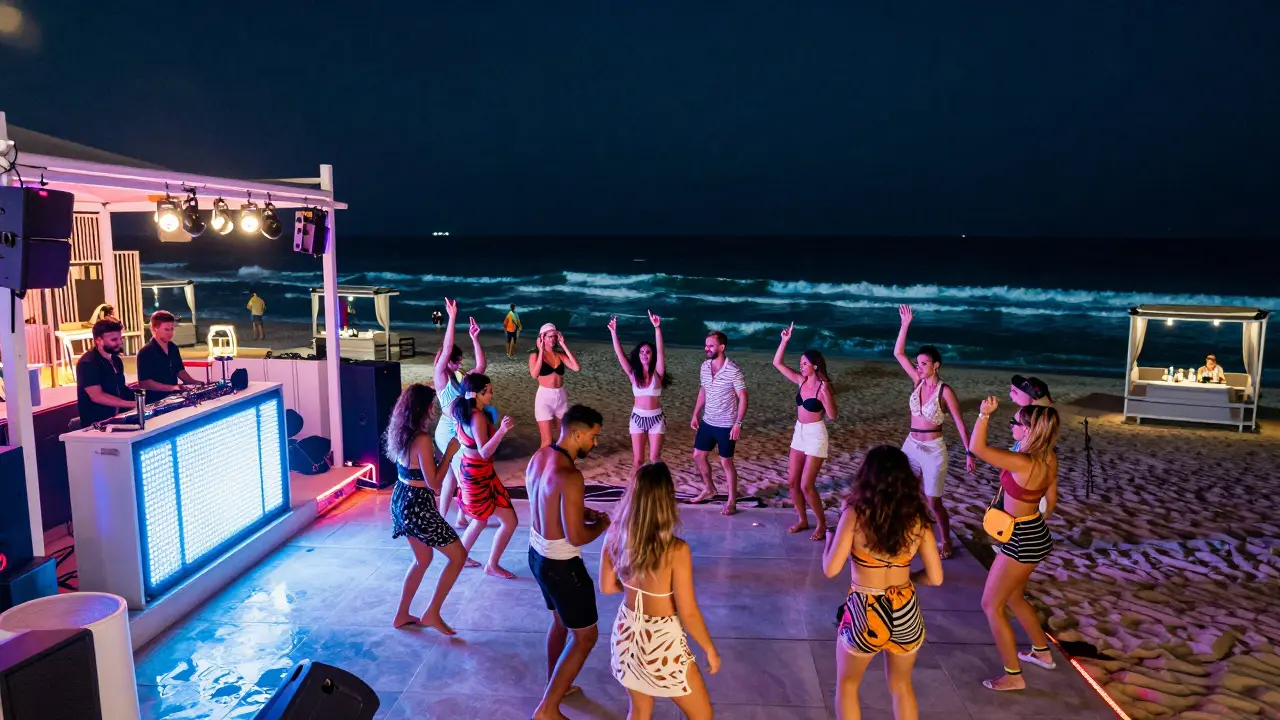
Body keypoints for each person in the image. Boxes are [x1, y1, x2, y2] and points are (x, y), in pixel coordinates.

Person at [822, 445, 943, 720]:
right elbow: (936, 577)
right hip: (906, 609)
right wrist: (909, 578)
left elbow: (830, 569)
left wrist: (829, 540)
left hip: (866, 609)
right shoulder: (918, 520)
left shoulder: (855, 514)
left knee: (848, 685)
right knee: (901, 686)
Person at [601, 462, 720, 719]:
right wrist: (709, 648)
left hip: (627, 633)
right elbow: (688, 612)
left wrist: (635, 584)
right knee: (702, 715)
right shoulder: (676, 550)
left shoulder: (614, 534)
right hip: (661, 640)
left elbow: (607, 587)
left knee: (640, 710)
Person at [969, 398, 1060, 692]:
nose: (1012, 426)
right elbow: (1052, 502)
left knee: (991, 605)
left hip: (1020, 540)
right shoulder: (1047, 457)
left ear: (1030, 430)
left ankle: (1013, 675)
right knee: (1015, 597)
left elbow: (977, 449)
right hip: (1034, 532)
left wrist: (984, 415)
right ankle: (1042, 653)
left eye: (1016, 422)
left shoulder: (1023, 462)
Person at [525, 405, 610, 720]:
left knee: (561, 621)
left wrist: (581, 510)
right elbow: (575, 537)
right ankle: (547, 709)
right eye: (593, 436)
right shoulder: (571, 475)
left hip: (537, 555)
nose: (595, 443)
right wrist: (600, 525)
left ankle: (555, 685)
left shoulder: (540, 457)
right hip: (562, 566)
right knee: (586, 637)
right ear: (577, 433)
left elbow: (547, 502)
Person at [383, 383, 468, 634]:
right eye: (432, 405)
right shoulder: (422, 439)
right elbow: (435, 482)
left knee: (423, 558)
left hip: (402, 498)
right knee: (458, 556)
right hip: (417, 504)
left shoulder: (400, 432)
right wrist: (450, 452)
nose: (434, 409)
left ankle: (401, 614)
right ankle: (432, 612)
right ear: (423, 408)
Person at [892, 305, 974, 559]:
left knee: (933, 502)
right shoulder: (917, 382)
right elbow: (898, 353)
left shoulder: (945, 391)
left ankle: (946, 539)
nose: (919, 367)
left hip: (933, 450)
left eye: (924, 363)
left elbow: (960, 422)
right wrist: (905, 325)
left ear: (936, 365)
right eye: (918, 363)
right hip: (911, 445)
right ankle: (905, 533)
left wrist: (970, 453)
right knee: (903, 492)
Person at [773, 323, 838, 540]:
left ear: (815, 366)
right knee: (792, 482)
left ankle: (821, 523)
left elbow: (832, 416)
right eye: (800, 363)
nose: (801, 367)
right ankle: (802, 519)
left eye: (804, 364)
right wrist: (784, 341)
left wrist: (826, 396)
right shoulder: (801, 381)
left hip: (816, 435)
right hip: (798, 433)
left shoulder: (823, 387)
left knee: (806, 484)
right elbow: (777, 363)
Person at [452, 373, 519, 578]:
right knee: (502, 521)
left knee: (487, 520)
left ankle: (462, 559)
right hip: (477, 474)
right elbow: (484, 452)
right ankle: (488, 564)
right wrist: (502, 431)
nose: (491, 394)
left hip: (477, 472)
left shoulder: (465, 412)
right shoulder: (477, 416)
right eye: (488, 391)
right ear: (479, 393)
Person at [433, 298, 487, 536]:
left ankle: (459, 516)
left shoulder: (459, 377)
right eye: (457, 361)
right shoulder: (441, 376)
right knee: (457, 476)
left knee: (456, 476)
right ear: (448, 361)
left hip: (459, 429)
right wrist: (452, 317)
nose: (460, 364)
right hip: (447, 432)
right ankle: (450, 518)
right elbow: (446, 349)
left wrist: (475, 339)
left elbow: (481, 367)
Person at [691, 331, 748, 515]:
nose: (707, 348)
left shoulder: (733, 369)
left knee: (726, 462)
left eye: (711, 345)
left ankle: (732, 501)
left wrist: (738, 423)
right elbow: (703, 390)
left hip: (726, 425)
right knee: (698, 456)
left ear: (721, 347)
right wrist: (695, 413)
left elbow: (743, 397)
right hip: (708, 421)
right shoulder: (704, 366)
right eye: (706, 345)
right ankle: (709, 488)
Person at [607, 310, 672, 470]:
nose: (644, 354)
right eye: (642, 352)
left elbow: (661, 352)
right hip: (637, 419)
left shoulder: (658, 373)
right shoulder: (633, 374)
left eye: (648, 352)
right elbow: (620, 355)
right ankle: (635, 492)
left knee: (655, 458)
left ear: (652, 355)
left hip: (656, 420)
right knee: (638, 461)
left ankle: (660, 489)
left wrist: (657, 328)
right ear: (638, 354)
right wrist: (614, 333)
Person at [75, 318, 136, 427]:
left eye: (120, 338)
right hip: (96, 425)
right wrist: (132, 404)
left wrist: (145, 397)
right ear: (98, 340)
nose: (119, 343)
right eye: (114, 340)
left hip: (116, 419)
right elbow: (97, 396)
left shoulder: (116, 360)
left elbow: (120, 388)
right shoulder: (88, 363)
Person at [529, 323, 581, 448]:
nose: (552, 339)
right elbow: (534, 374)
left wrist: (564, 345)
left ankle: (557, 465)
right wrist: (541, 351)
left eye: (555, 336)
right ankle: (537, 467)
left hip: (561, 397)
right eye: (549, 336)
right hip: (544, 398)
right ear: (542, 338)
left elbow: (576, 367)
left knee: (563, 438)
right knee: (547, 441)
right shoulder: (534, 355)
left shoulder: (560, 354)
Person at [136, 310, 199, 402]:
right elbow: (144, 383)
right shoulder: (145, 352)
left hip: (175, 397)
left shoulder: (173, 347)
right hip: (156, 400)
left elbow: (179, 370)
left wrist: (194, 382)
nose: (170, 333)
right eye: (166, 329)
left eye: (172, 329)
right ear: (154, 328)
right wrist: (171, 387)